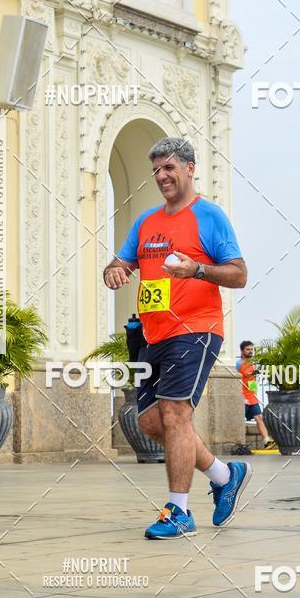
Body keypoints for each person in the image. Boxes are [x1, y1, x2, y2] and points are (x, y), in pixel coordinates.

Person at [104, 137, 252, 539]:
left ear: (189, 168)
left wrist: (198, 270)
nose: (162, 176)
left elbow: (239, 274)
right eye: (156, 170)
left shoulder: (209, 216)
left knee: (175, 415)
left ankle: (179, 511)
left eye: (169, 168)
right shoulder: (147, 222)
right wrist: (114, 271)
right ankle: (224, 474)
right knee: (153, 423)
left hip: (197, 329)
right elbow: (118, 263)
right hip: (153, 334)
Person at [236, 341, 276, 450]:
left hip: (251, 398)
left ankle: (266, 441)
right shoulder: (238, 364)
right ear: (242, 350)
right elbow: (235, 381)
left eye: (251, 349)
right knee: (239, 421)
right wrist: (241, 397)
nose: (250, 351)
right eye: (247, 349)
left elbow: (252, 381)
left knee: (259, 417)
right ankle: (238, 444)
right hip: (243, 398)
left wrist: (255, 394)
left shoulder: (252, 364)